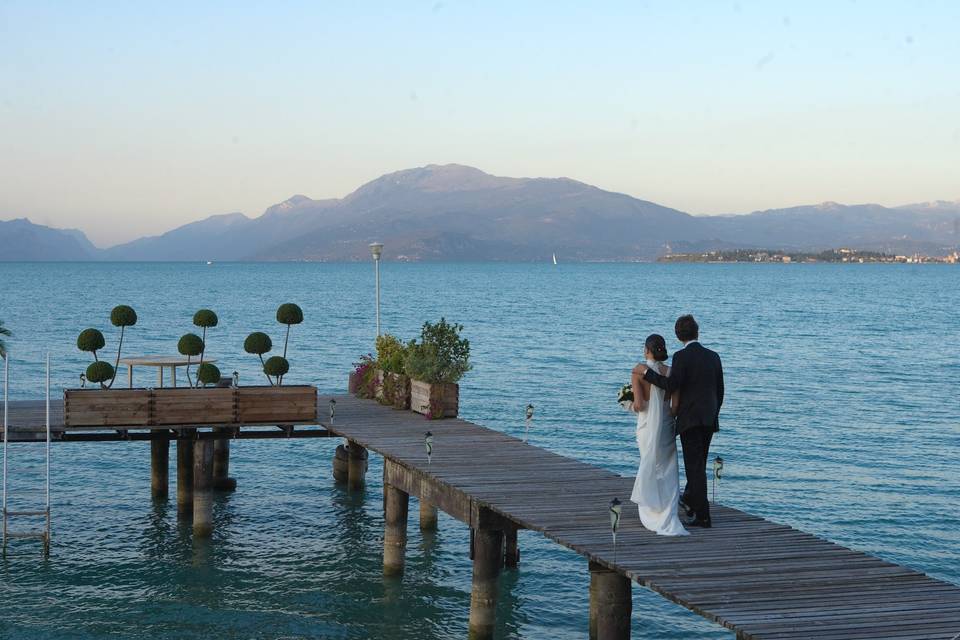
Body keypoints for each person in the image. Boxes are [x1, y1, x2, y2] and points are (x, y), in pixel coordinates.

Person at [637, 315, 723, 528]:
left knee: (694, 468)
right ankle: (690, 500)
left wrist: (646, 372)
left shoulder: (681, 357)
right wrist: (714, 413)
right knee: (699, 464)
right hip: (709, 418)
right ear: (697, 332)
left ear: (677, 336)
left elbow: (671, 385)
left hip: (690, 420)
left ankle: (703, 516)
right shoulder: (714, 356)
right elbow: (720, 390)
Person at [629, 334, 688, 536]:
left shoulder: (637, 371)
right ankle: (669, 512)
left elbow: (639, 405)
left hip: (646, 426)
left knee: (650, 463)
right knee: (668, 466)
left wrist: (628, 405)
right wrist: (665, 416)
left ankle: (651, 508)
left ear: (647, 350)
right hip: (665, 425)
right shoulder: (671, 372)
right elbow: (676, 406)